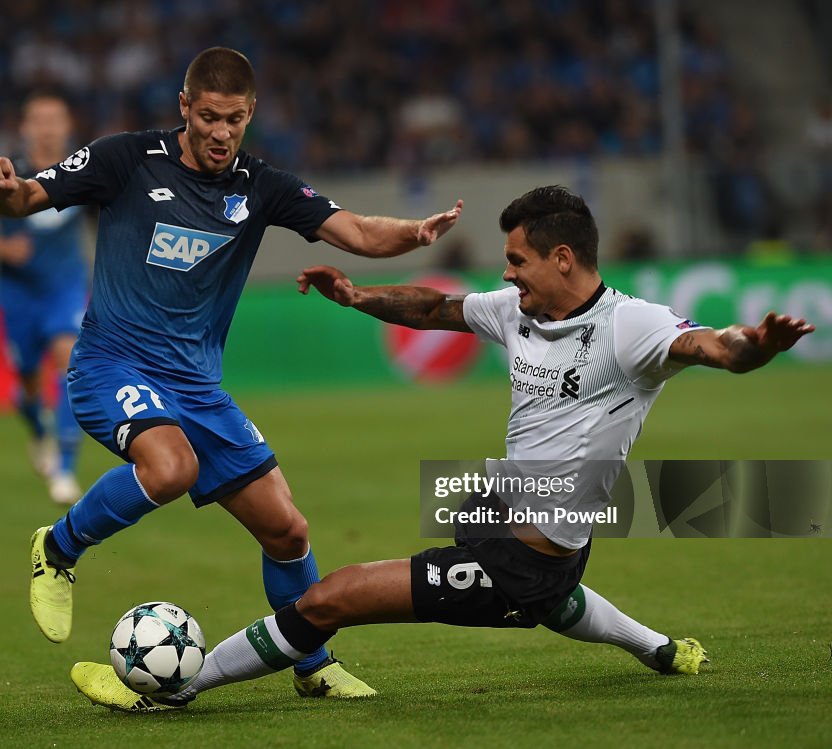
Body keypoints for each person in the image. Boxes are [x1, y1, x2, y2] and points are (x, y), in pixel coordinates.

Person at [67, 185, 814, 712]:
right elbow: (434, 306)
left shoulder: (630, 327)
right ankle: (657, 648)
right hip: (502, 503)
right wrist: (360, 297)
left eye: (517, 259)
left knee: (328, 598)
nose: (506, 273)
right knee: (529, 568)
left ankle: (177, 688)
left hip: (528, 554)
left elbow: (715, 344)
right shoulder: (520, 311)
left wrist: (757, 346)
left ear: (562, 258)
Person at [0, 47, 463, 698]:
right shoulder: (125, 158)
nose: (220, 133)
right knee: (170, 468)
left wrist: (415, 232)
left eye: (233, 120)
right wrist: (3, 194)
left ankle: (313, 665)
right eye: (207, 117)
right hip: (112, 362)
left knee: (287, 530)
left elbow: (360, 233)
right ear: (185, 107)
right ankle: (57, 550)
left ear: (250, 115)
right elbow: (31, 195)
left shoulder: (261, 188)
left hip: (196, 388)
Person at [0, 90, 89, 506]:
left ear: (67, 127)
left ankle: (66, 468)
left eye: (56, 120)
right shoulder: (6, 172)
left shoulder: (85, 171)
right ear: (26, 127)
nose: (48, 128)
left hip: (65, 286)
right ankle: (37, 427)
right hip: (18, 293)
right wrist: (3, 249)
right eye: (40, 120)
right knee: (28, 382)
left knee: (69, 361)